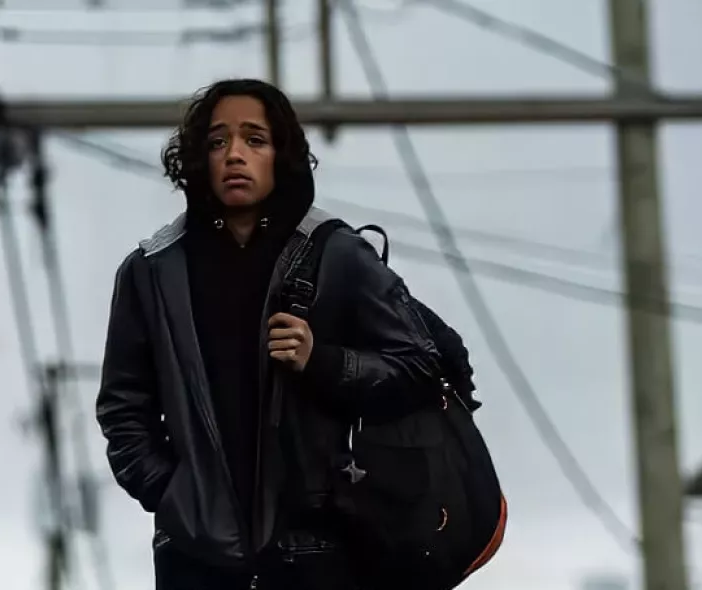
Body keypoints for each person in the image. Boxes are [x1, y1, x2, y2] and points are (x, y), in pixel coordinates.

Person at [95, 78, 442, 590]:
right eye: (218, 141)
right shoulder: (151, 271)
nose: (235, 154)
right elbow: (123, 410)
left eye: (254, 139)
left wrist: (322, 361)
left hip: (316, 552)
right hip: (194, 559)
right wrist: (173, 494)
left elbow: (420, 366)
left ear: (281, 154)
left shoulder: (336, 254)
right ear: (198, 158)